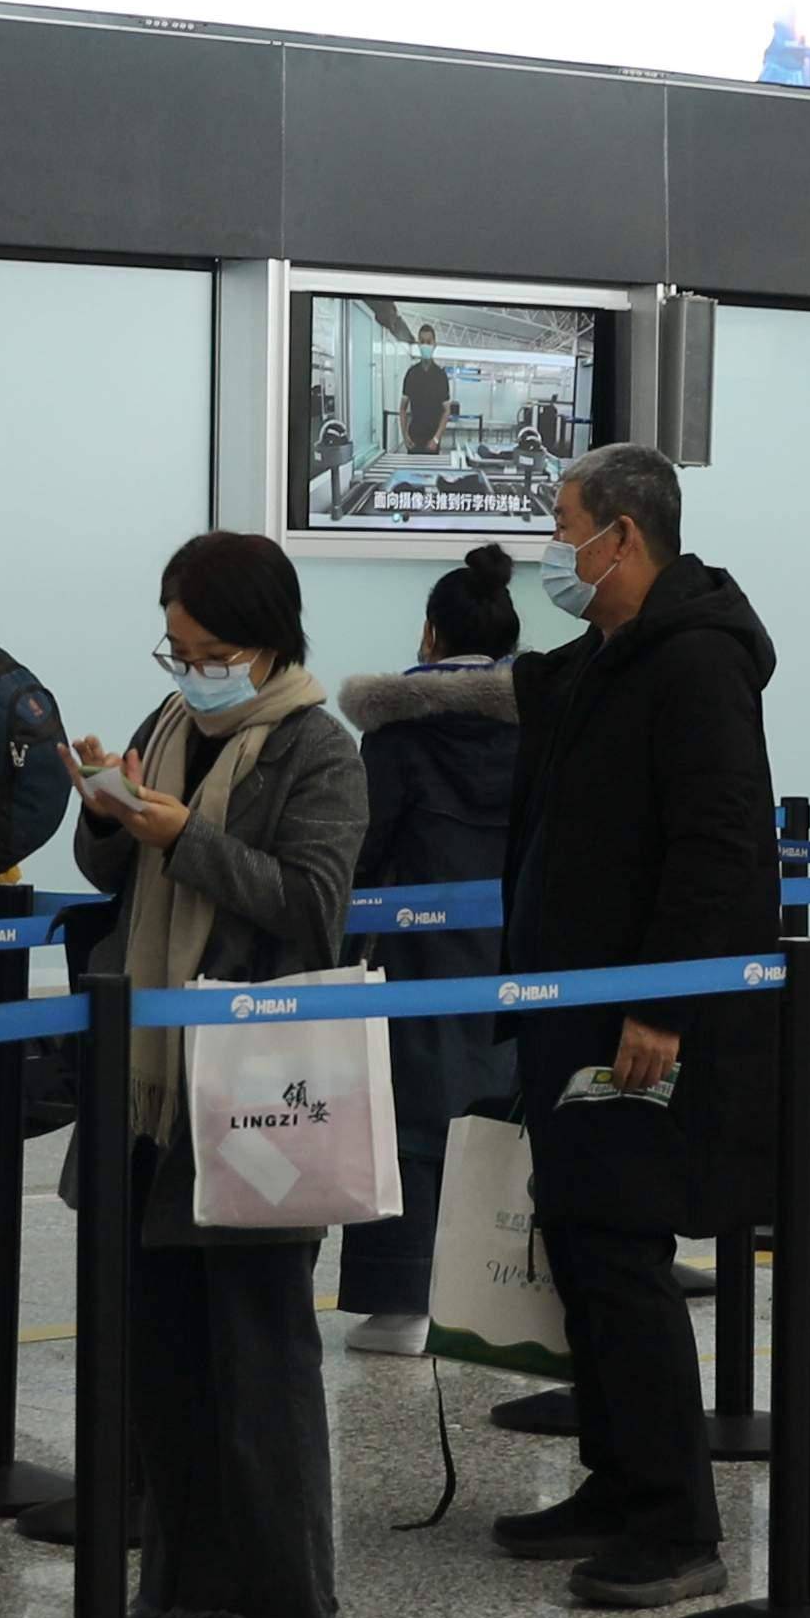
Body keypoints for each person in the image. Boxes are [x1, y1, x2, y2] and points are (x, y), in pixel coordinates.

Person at [495, 440, 778, 1611]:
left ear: (622, 535)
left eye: (563, 526)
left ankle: (674, 1518)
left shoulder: (697, 663)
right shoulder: (605, 661)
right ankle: (615, 1478)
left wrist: (664, 1001)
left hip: (638, 1017)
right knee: (581, 1241)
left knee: (623, 1250)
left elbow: (719, 842)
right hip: (568, 1006)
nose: (552, 549)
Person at [67, 532, 362, 1618]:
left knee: (257, 1353)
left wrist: (187, 835)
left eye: (210, 652)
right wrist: (108, 810)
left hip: (252, 1089)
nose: (192, 671)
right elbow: (113, 876)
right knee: (162, 1354)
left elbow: (311, 904)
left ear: (267, 640)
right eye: (178, 649)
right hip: (150, 1083)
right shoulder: (169, 724)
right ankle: (179, 1581)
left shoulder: (317, 748)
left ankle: (278, 1596)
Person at [333, 544, 526, 1354]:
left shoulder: (396, 737)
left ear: (430, 633)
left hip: (414, 957)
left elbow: (362, 850)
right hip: (515, 951)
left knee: (406, 1118)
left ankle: (401, 1300)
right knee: (500, 1115)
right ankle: (489, 1290)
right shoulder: (541, 731)